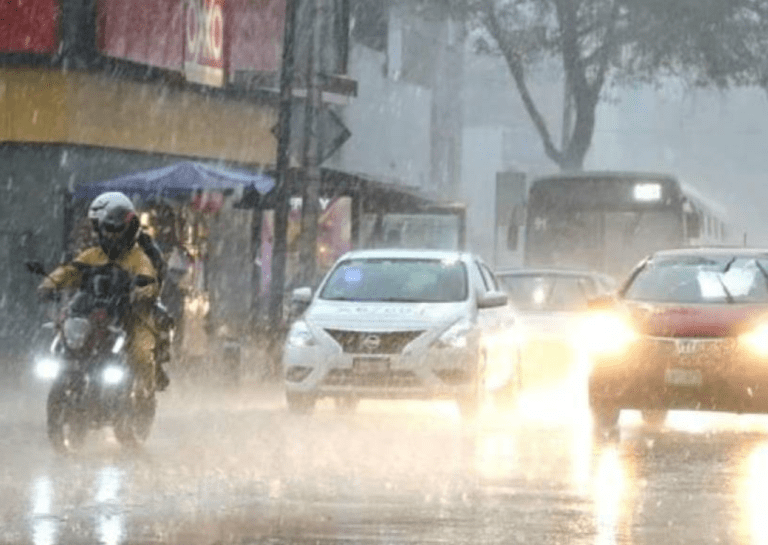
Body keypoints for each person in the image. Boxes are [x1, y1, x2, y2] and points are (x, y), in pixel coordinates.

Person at [39, 192, 161, 394]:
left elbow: (148, 279)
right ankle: (70, 378)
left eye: (116, 229)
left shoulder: (138, 258)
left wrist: (143, 291)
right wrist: (48, 285)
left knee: (141, 349)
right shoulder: (92, 255)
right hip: (90, 314)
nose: (111, 234)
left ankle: (142, 394)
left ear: (128, 229)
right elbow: (70, 270)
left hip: (125, 315)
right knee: (64, 337)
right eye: (106, 228)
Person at [87, 193, 172, 390]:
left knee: (156, 321)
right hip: (102, 298)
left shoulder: (144, 243)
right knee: (75, 321)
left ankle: (155, 367)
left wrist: (144, 285)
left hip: (134, 299)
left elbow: (158, 266)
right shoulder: (99, 244)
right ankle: (75, 361)